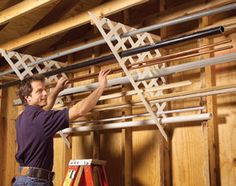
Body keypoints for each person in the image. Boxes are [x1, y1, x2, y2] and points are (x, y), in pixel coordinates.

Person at [13, 69, 110, 186]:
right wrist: (101, 87)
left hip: (22, 180)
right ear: (27, 97)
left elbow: (45, 107)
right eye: (39, 91)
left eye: (45, 90)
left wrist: (57, 89)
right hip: (36, 182)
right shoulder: (43, 119)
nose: (45, 93)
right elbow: (80, 110)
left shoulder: (21, 118)